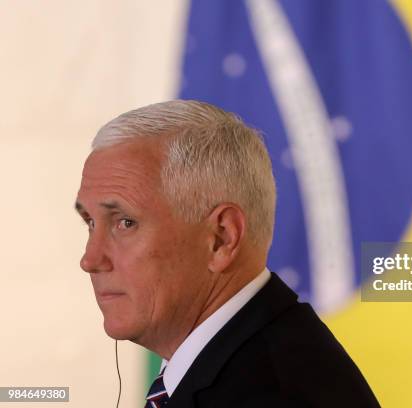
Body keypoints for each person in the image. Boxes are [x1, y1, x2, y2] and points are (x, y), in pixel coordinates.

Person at [75, 100, 380, 407]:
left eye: (125, 223)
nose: (90, 260)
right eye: (89, 222)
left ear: (221, 238)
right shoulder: (250, 365)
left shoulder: (272, 394)